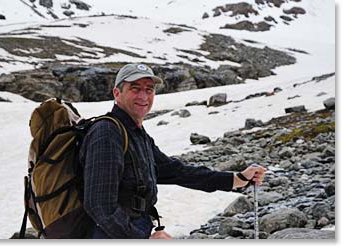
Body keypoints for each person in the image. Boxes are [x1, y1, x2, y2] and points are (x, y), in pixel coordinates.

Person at [79, 63, 267, 239]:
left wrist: (236, 179)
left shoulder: (135, 133)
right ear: (117, 93)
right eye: (135, 89)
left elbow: (177, 171)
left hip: (132, 228)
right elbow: (100, 206)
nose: (143, 96)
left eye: (149, 89)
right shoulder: (107, 132)